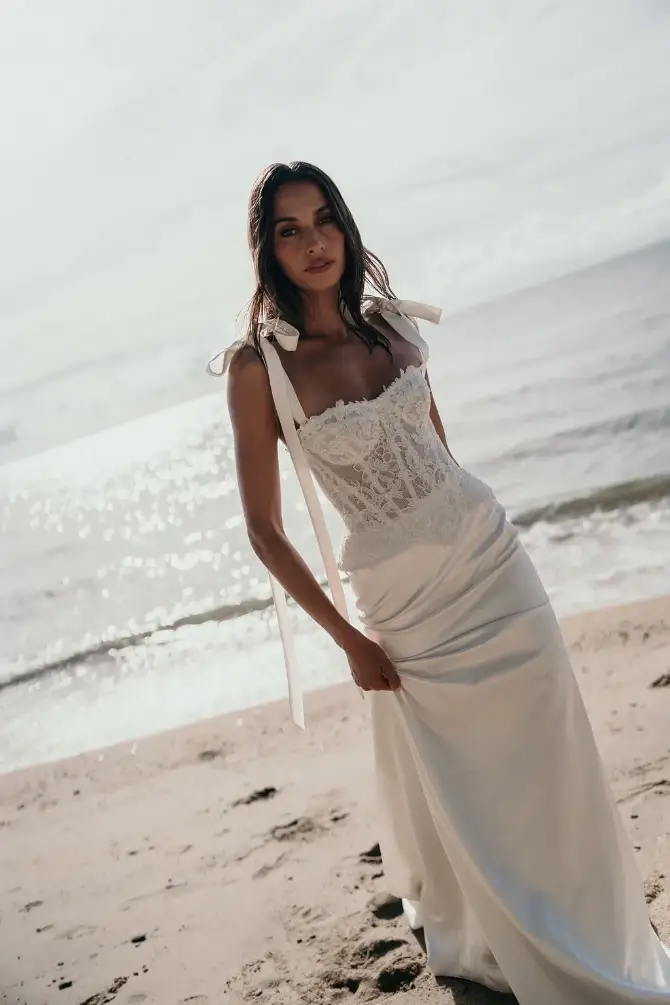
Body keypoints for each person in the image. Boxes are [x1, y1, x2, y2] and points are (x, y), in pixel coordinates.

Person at [207, 161, 670, 1002]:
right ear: (267, 250)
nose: (314, 242)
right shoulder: (258, 369)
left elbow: (442, 452)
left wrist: (482, 537)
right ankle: (518, 935)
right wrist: (348, 638)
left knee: (555, 758)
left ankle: (596, 924)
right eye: (290, 229)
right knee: (476, 788)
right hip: (406, 609)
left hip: (491, 563)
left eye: (325, 220)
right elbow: (264, 531)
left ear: (346, 225)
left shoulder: (391, 323)